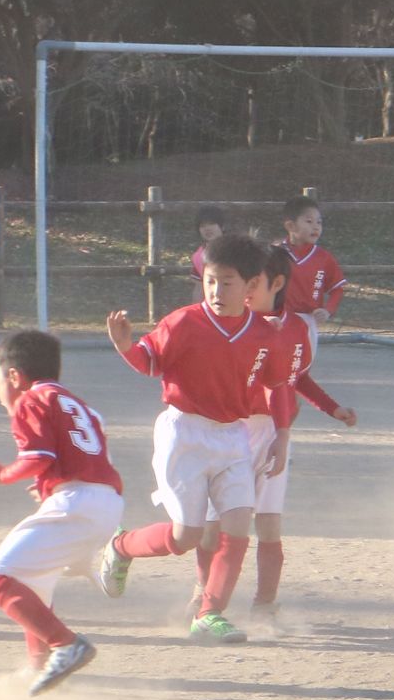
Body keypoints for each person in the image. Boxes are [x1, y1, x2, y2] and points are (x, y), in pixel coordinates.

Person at [91, 232, 275, 644]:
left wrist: (278, 431)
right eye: (210, 280)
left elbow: (273, 383)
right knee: (185, 536)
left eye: (227, 282)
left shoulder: (263, 334)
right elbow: (149, 360)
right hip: (184, 435)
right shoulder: (184, 322)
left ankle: (209, 614)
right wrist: (125, 346)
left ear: (249, 287)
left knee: (238, 529)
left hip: (232, 438)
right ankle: (121, 546)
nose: (216, 290)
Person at [201, 245, 357, 621]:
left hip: (271, 432)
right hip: (226, 431)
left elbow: (293, 377)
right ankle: (202, 594)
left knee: (268, 521)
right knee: (210, 524)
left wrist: (330, 407)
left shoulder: (296, 328)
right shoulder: (223, 324)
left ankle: (265, 603)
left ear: (277, 284)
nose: (245, 290)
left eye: (253, 282)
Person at [0, 329, 121, 695]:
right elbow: (88, 455)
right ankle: (38, 665)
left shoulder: (31, 399)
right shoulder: (77, 404)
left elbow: (39, 457)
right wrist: (50, 486)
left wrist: (2, 475)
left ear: (14, 377)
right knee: (31, 583)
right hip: (104, 502)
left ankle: (66, 644)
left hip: (78, 502)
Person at [278, 194, 347, 339]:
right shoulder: (275, 254)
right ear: (290, 226)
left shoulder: (324, 258)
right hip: (278, 319)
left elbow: (338, 288)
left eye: (319, 222)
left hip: (309, 320)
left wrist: (327, 310)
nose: (315, 227)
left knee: (302, 361)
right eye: (309, 221)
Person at [188, 205, 226, 280]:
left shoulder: (236, 250)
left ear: (223, 226)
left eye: (212, 224)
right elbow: (198, 286)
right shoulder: (198, 256)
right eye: (202, 226)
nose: (207, 229)